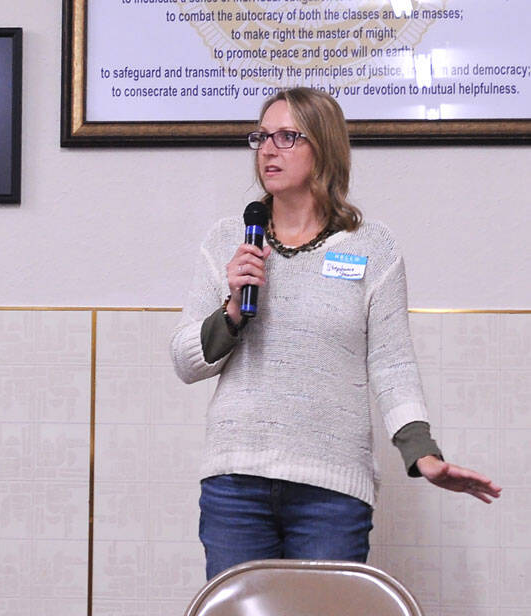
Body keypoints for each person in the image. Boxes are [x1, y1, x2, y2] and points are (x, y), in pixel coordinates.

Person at [170, 87, 501, 580]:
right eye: (261, 136)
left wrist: (422, 453)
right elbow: (185, 361)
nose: (267, 149)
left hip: (331, 488)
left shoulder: (373, 249)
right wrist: (232, 311)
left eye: (287, 137)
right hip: (236, 482)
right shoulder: (228, 241)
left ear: (323, 148)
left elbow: (392, 363)